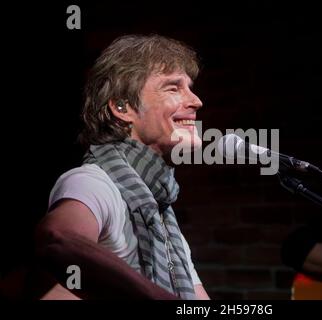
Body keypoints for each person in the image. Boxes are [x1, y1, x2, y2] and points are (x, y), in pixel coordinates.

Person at [33, 34, 209, 300]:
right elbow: (56, 238)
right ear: (121, 107)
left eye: (190, 87)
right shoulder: (92, 182)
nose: (196, 101)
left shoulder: (161, 213)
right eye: (173, 88)